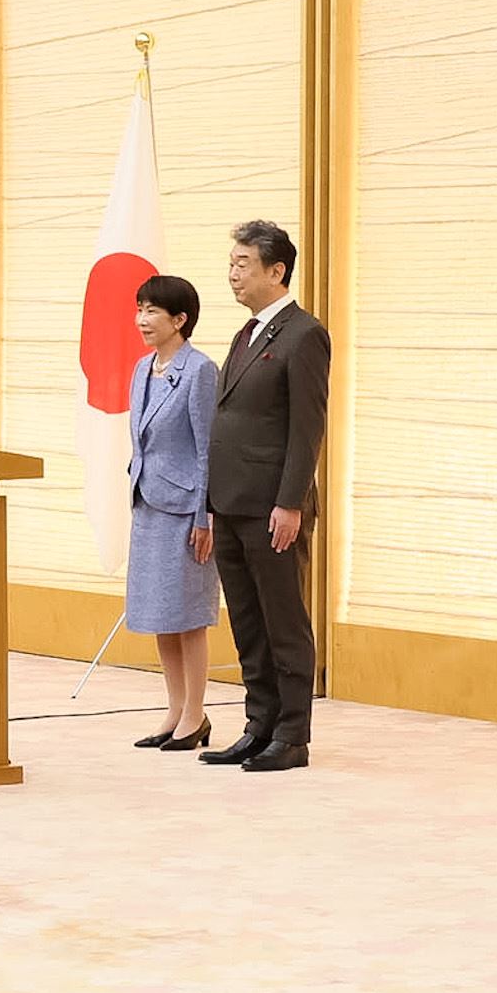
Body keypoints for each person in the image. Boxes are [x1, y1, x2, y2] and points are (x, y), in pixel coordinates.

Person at [199, 220, 328, 774]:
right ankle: (259, 725)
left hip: (273, 506)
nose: (233, 274)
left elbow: (307, 428)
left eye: (243, 264)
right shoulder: (246, 333)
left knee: (284, 621)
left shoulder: (303, 334)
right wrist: (209, 498)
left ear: (276, 271)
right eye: (231, 263)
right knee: (248, 621)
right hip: (231, 501)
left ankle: (292, 735)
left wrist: (291, 502)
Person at [122, 275, 221, 751]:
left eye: (152, 311)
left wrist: (205, 515)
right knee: (160, 614)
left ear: (179, 320)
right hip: (148, 503)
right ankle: (175, 709)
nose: (142, 320)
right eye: (140, 309)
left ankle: (196, 715)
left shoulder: (200, 371)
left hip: (186, 511)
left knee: (188, 616)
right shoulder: (142, 368)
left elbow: (208, 449)